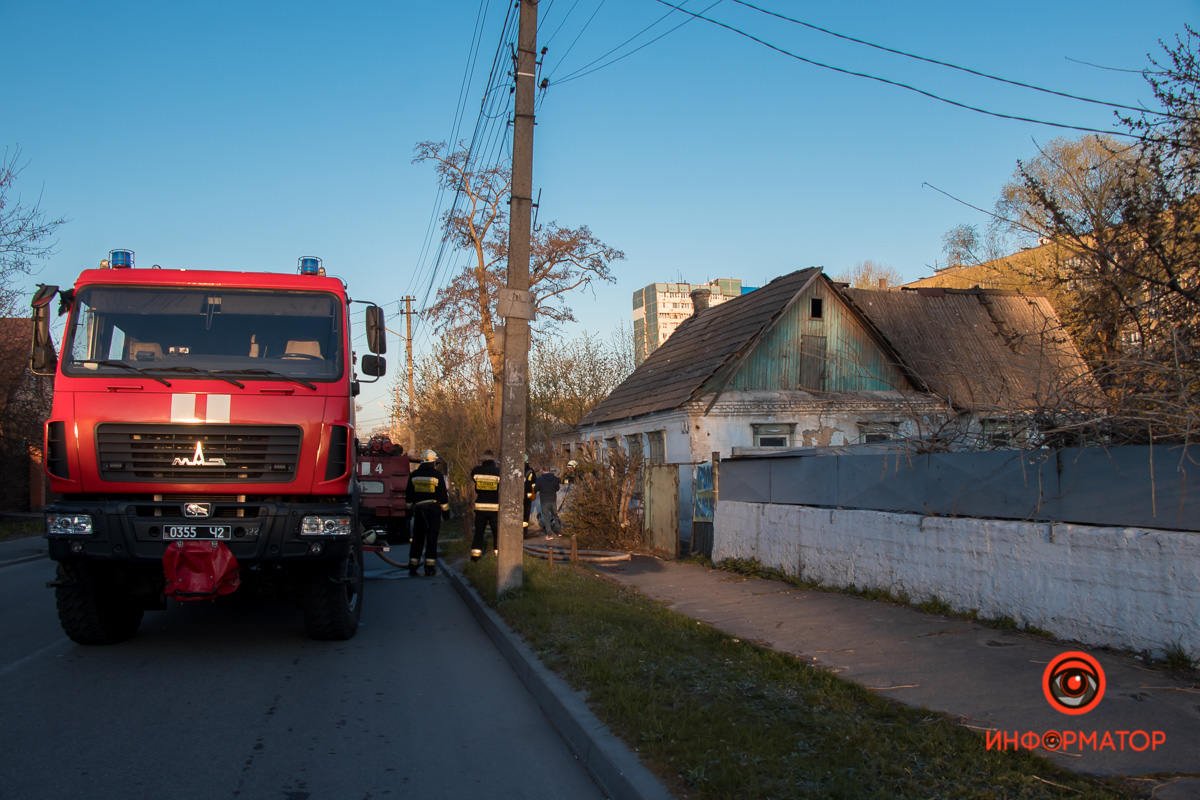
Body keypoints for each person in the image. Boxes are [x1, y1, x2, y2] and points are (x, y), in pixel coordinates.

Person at [405, 449, 450, 576]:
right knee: (432, 538)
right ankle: (429, 568)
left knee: (417, 539)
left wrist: (408, 513)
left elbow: (408, 496)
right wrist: (446, 513)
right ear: (433, 461)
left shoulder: (414, 475)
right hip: (433, 510)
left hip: (419, 510)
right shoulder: (437, 475)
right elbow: (443, 497)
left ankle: (413, 566)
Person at [469, 450, 501, 561]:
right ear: (493, 460)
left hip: (480, 506)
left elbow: (473, 478)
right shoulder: (498, 472)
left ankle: (475, 556)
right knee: (496, 531)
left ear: (482, 460)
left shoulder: (476, 471)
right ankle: (498, 553)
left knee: (479, 532)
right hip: (494, 507)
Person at [535, 466, 562, 536]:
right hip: (553, 500)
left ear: (542, 471)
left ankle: (549, 534)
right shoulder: (555, 478)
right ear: (549, 470)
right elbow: (557, 488)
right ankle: (558, 532)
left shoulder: (539, 479)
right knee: (555, 515)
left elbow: (536, 489)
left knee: (546, 517)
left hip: (544, 500)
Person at [522, 461, 537, 535]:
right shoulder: (531, 471)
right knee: (525, 515)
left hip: (518, 496)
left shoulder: (517, 469)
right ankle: (524, 533)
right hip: (527, 497)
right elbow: (534, 484)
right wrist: (533, 495)